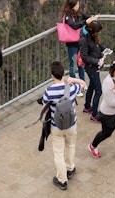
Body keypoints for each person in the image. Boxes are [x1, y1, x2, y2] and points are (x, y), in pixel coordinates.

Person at [42, 60, 88, 191]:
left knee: (58, 152)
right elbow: (84, 85)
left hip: (56, 126)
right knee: (71, 146)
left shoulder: (48, 91)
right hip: (71, 124)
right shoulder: (72, 88)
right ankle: (70, 168)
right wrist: (74, 79)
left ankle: (62, 180)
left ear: (51, 75)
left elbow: (45, 109)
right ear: (63, 73)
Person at [61, 0, 98, 93]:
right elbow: (74, 26)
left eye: (78, 4)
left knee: (81, 64)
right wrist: (86, 22)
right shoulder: (68, 16)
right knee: (73, 65)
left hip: (80, 43)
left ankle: (82, 84)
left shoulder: (79, 14)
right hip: (72, 44)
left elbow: (87, 16)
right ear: (71, 5)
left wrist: (93, 17)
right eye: (76, 4)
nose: (78, 6)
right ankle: (73, 86)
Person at [79, 19, 106, 122]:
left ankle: (87, 107)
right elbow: (84, 57)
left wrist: (104, 49)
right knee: (98, 90)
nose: (98, 33)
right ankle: (94, 114)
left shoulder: (92, 36)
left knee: (92, 86)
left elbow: (97, 46)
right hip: (91, 68)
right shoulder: (83, 40)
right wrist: (97, 62)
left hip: (94, 66)